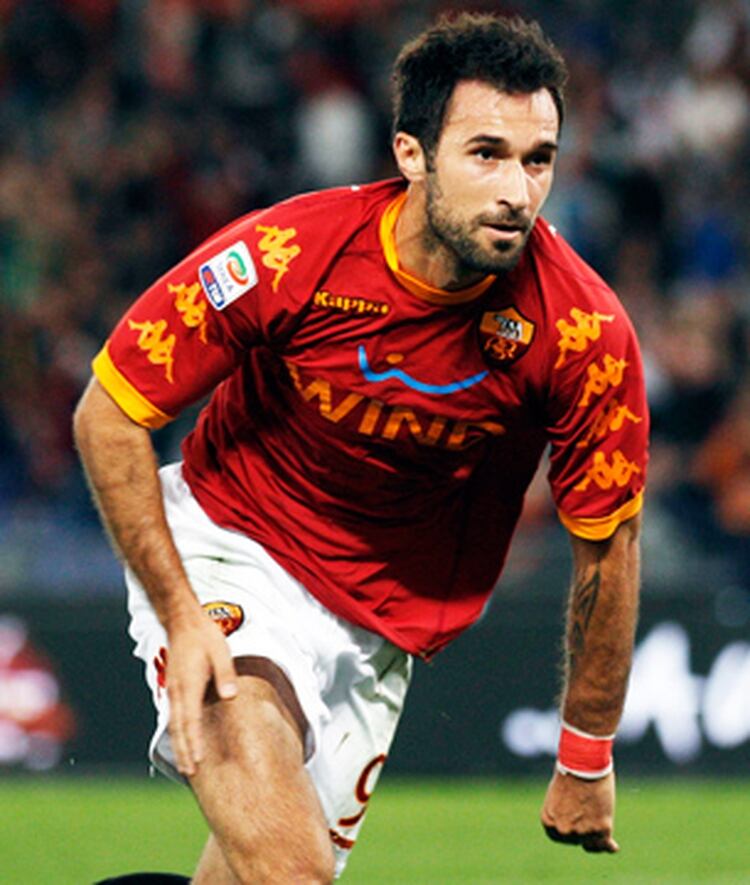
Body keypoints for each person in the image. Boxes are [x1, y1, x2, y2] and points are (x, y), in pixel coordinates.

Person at [74, 12, 648, 884]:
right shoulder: (289, 255)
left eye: (539, 160)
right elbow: (109, 411)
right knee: (291, 875)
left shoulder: (582, 332)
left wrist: (586, 752)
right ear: (412, 154)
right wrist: (182, 615)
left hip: (378, 629)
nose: (517, 190)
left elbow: (608, 547)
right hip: (234, 551)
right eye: (486, 153)